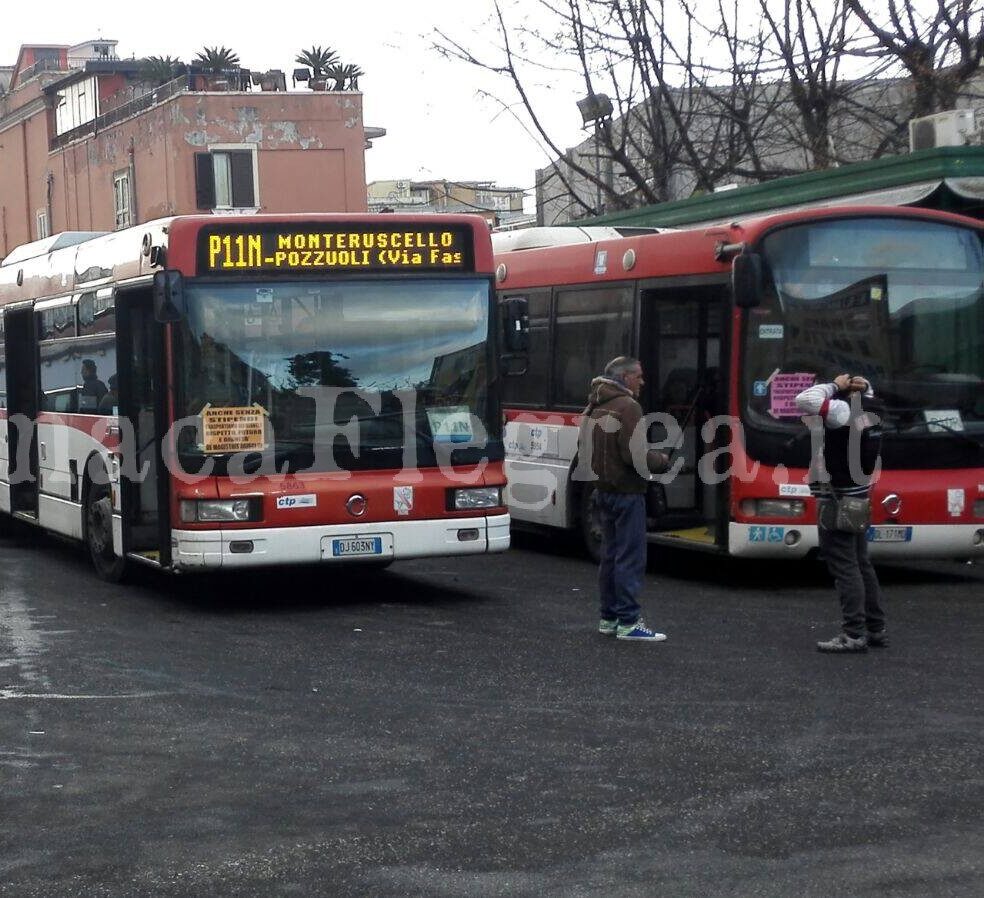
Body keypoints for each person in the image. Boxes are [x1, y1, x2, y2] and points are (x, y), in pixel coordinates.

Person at [579, 356, 670, 643]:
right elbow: (635, 455)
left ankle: (609, 618)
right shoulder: (628, 406)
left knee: (610, 557)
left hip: (603, 491)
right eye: (638, 376)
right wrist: (662, 461)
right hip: (627, 493)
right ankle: (629, 622)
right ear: (625, 377)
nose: (642, 381)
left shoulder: (595, 404)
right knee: (630, 558)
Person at [795, 373, 887, 653]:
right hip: (860, 494)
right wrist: (863, 385)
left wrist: (835, 384)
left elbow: (804, 399)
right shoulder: (874, 408)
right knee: (861, 563)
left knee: (844, 565)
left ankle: (853, 633)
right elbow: (866, 392)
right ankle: (875, 628)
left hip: (839, 496)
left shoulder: (841, 411)